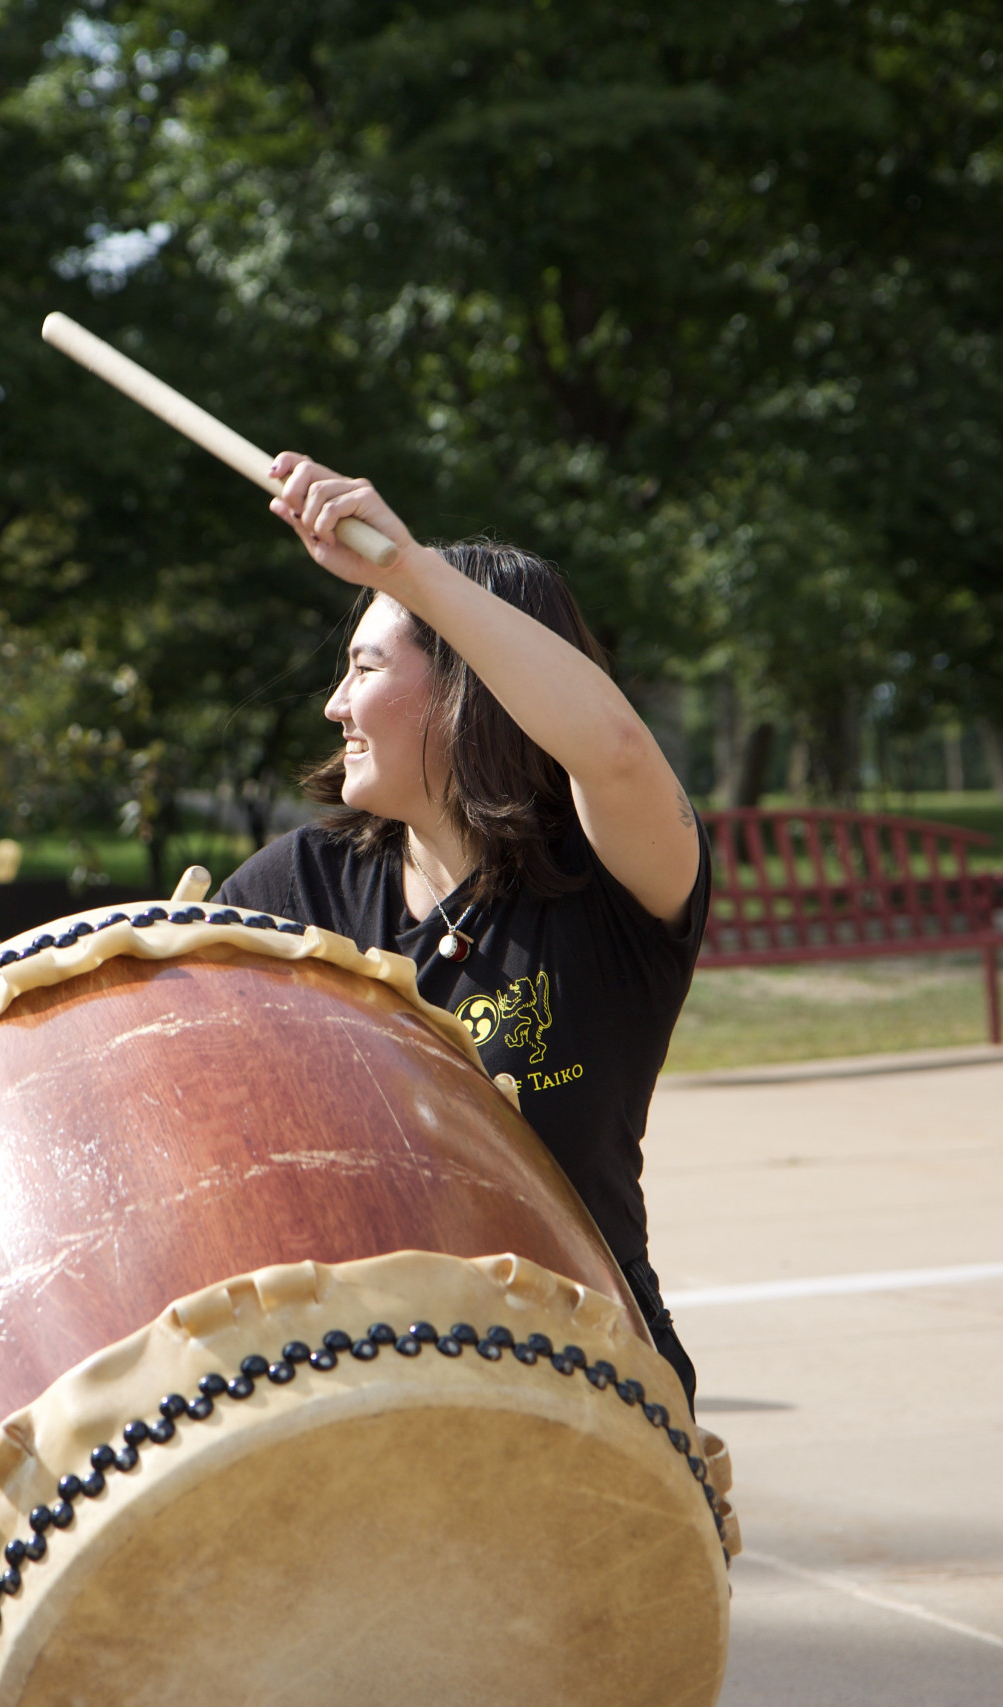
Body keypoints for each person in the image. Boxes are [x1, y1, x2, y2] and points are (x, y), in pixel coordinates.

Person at [214, 453, 712, 1412]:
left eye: (364, 667)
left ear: (464, 688)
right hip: (355, 1391)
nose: (335, 705)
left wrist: (410, 570)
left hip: (585, 1383)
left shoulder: (607, 880)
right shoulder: (298, 885)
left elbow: (609, 745)